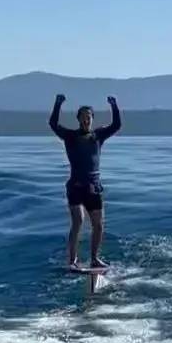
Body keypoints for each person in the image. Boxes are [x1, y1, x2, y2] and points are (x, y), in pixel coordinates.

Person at [49, 93, 121, 270]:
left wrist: (114, 105)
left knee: (98, 224)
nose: (86, 120)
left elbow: (117, 125)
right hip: (76, 187)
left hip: (94, 188)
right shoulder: (70, 136)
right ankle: (72, 261)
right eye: (82, 117)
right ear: (78, 120)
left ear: (92, 119)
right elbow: (53, 124)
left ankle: (95, 259)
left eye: (88, 117)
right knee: (78, 221)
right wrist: (58, 104)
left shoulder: (98, 136)